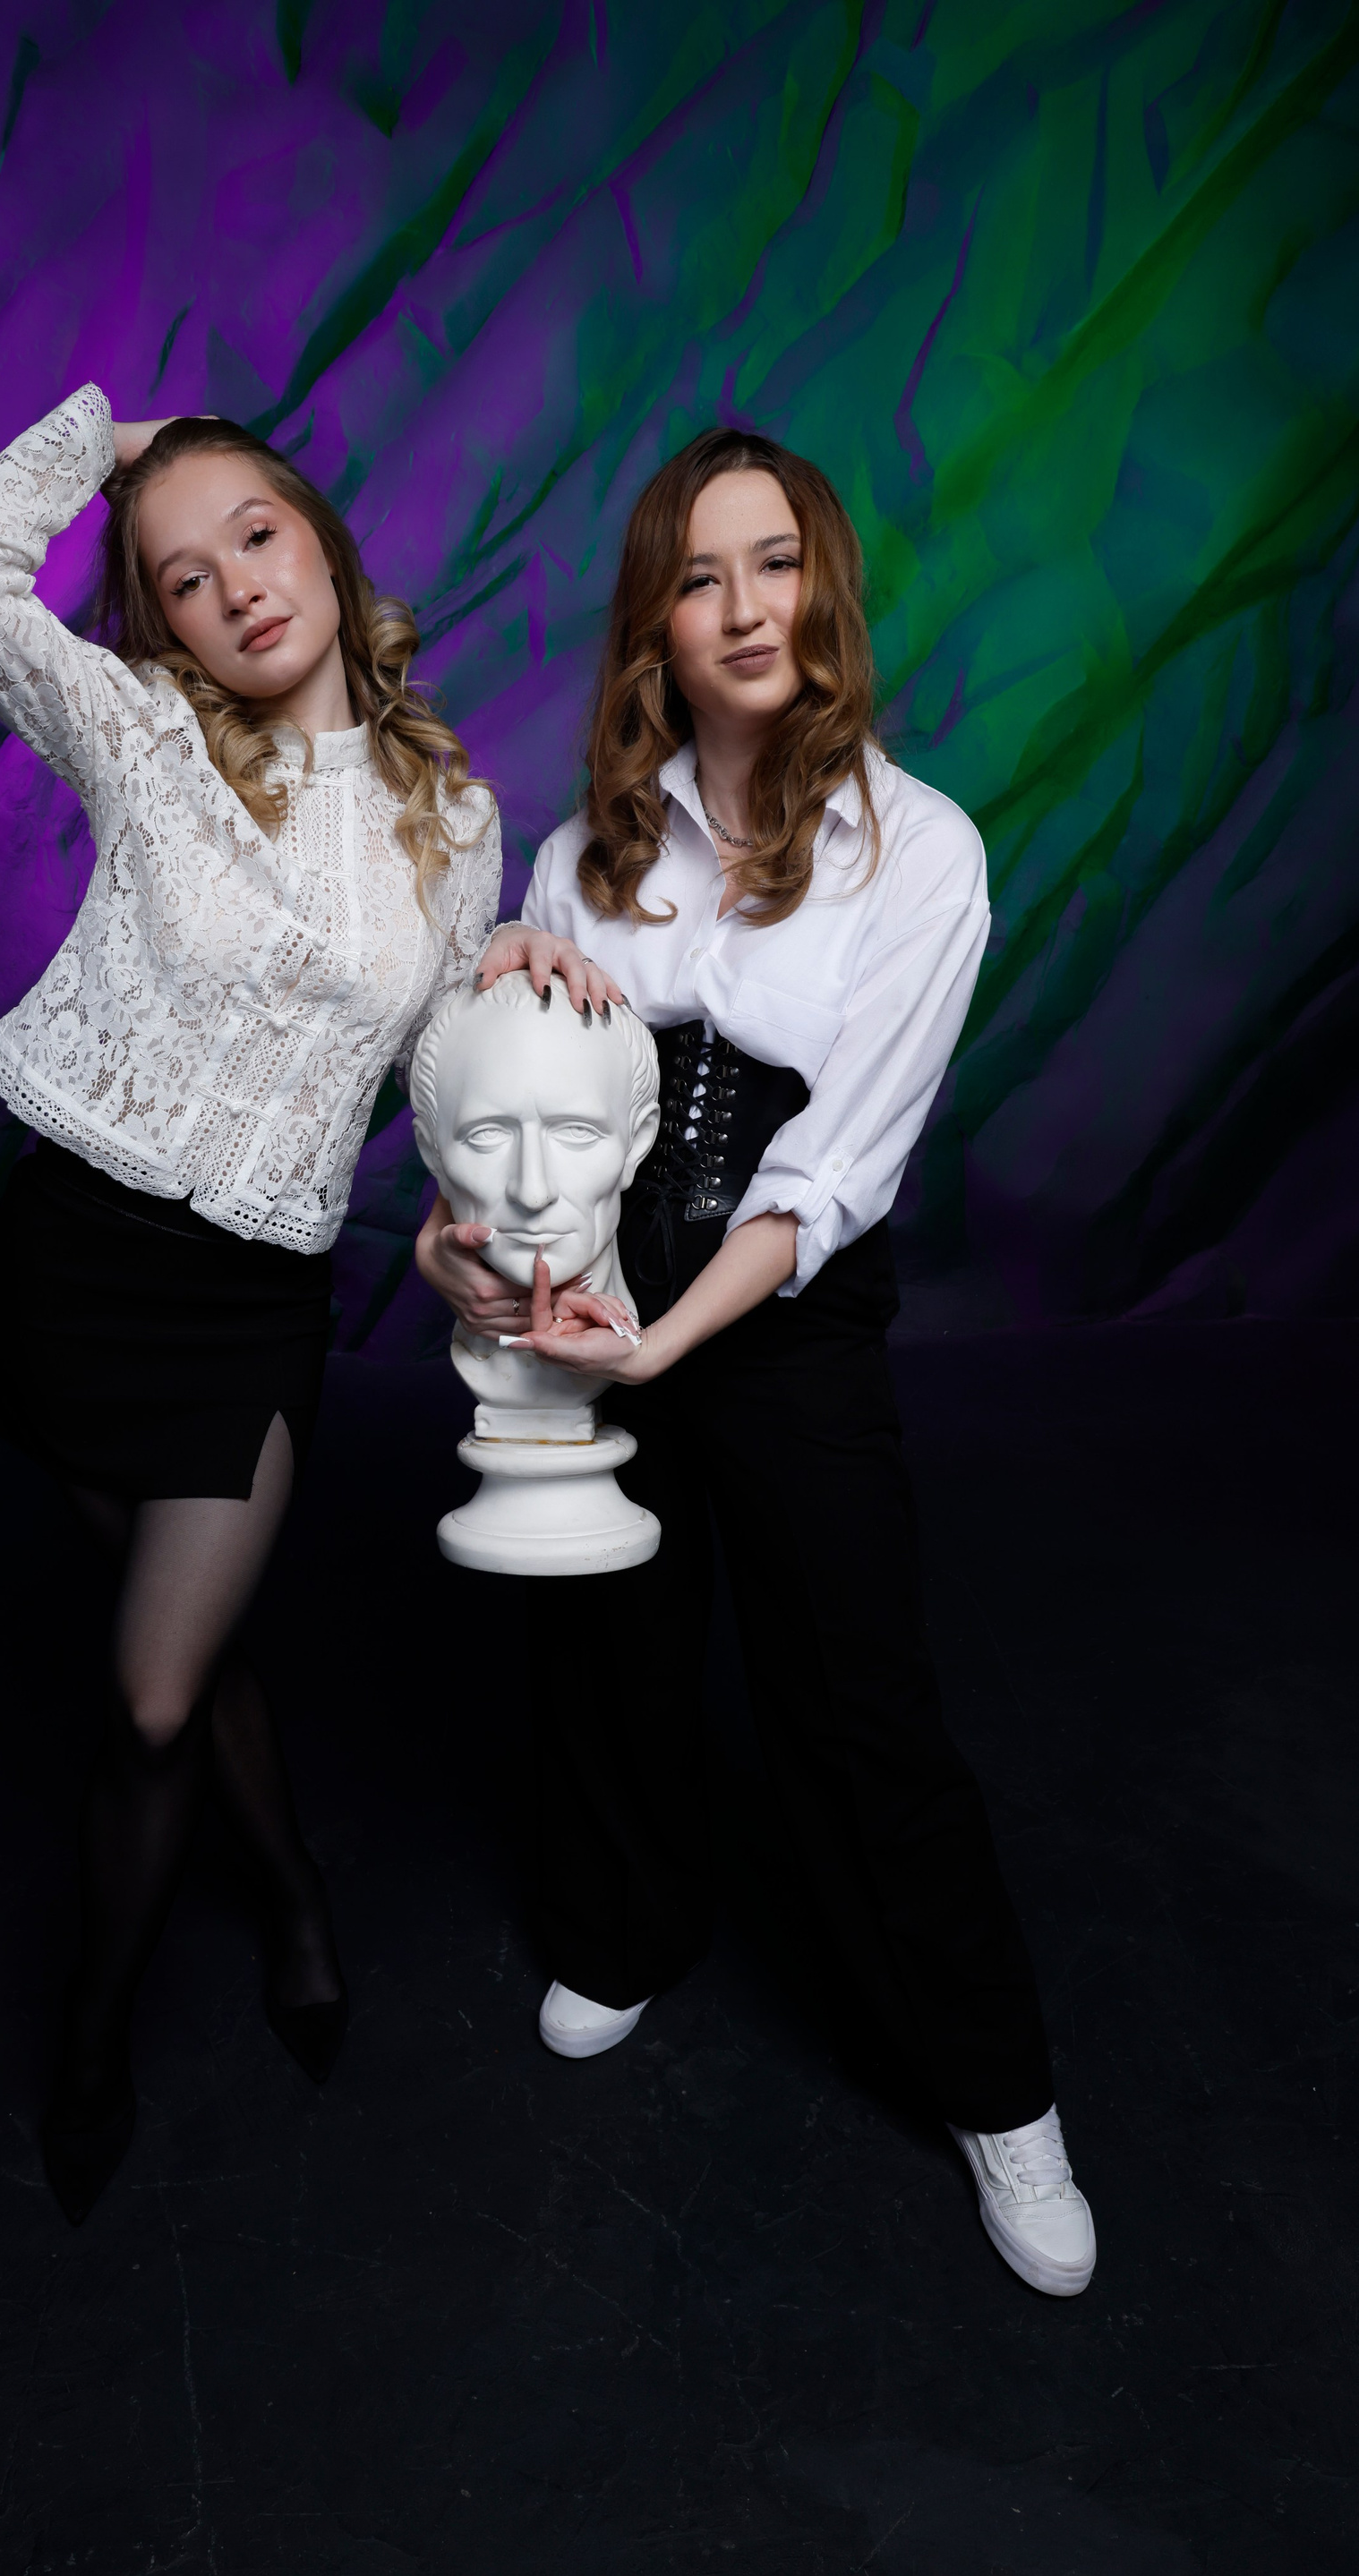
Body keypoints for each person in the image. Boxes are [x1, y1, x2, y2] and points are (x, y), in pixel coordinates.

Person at [415, 429, 1097, 2299]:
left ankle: (998, 2092)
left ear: (826, 588)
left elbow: (832, 1172)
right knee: (608, 1651)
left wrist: (665, 1338)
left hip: (780, 1316)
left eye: (775, 562)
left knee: (856, 1700)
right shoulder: (583, 855)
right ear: (656, 619)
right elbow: (518, 1114)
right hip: (595, 1305)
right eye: (700, 574)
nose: (742, 606)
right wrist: (473, 1252)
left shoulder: (920, 848)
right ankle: (625, 1929)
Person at [0, 387, 500, 2222]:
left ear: (319, 538)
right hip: (70, 1271)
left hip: (246, 1311)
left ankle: (100, 2034)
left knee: (158, 1692)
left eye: (256, 531)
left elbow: (443, 1075)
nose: (236, 584)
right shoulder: (146, 734)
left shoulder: (453, 815)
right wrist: (112, 435)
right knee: (197, 1645)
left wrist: (513, 1017)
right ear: (158, 627)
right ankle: (285, 1894)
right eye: (182, 575)